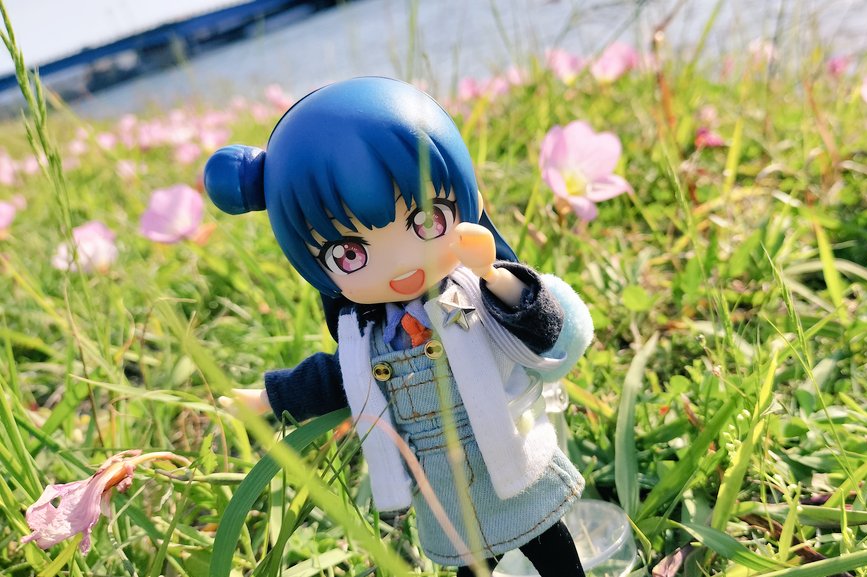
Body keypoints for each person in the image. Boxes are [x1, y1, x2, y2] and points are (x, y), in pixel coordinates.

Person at [205, 77, 593, 576]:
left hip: (513, 458)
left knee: (549, 545)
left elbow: (542, 327)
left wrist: (494, 274)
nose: (402, 263)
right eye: (349, 253)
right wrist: (270, 398)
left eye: (428, 221)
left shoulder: (476, 293)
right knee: (473, 560)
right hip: (444, 483)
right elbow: (335, 378)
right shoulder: (367, 337)